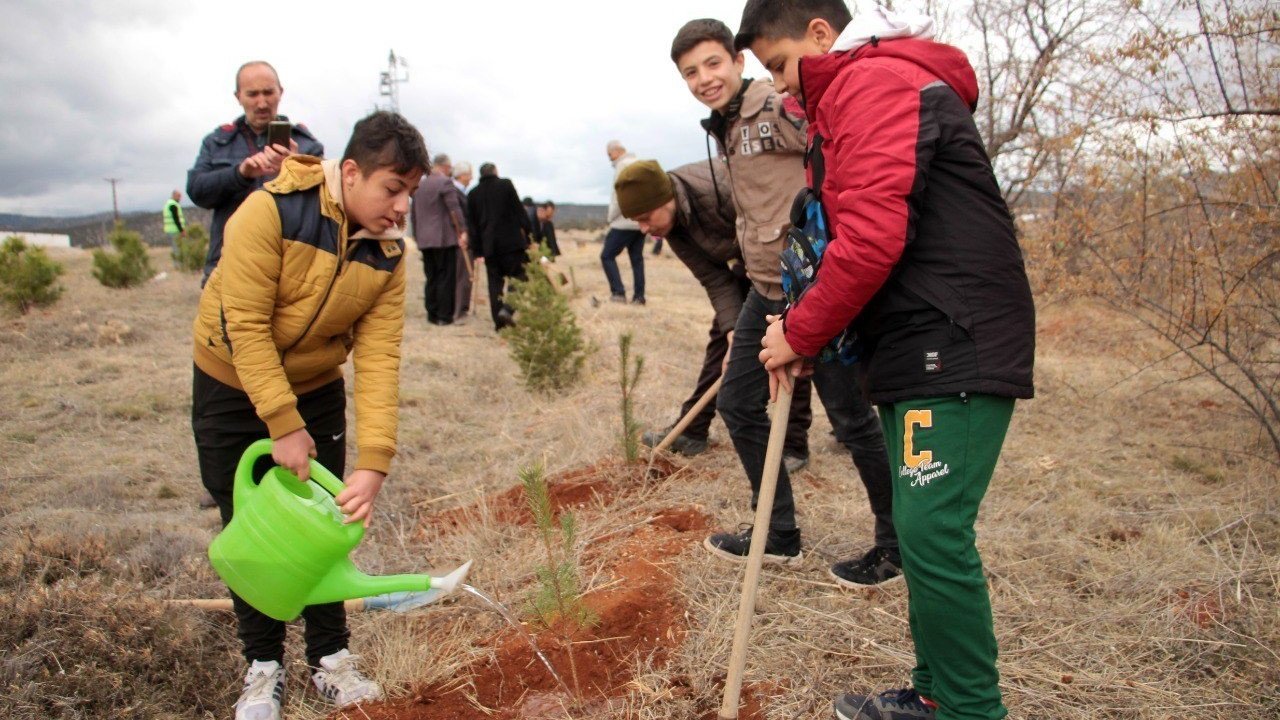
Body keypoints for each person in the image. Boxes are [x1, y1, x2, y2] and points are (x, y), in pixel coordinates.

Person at [745, 2, 1036, 719]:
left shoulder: (873, 84)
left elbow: (871, 241)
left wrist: (802, 333)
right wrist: (812, 327)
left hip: (953, 338)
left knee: (934, 531)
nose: (782, 89)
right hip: (914, 342)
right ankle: (935, 694)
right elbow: (854, 236)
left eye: (780, 65)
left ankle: (970, 710)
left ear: (819, 33)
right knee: (918, 529)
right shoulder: (843, 100)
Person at [190, 110, 428, 720]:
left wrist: (375, 460)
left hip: (316, 388)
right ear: (351, 172)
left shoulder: (388, 255)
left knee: (325, 521)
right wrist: (281, 422)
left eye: (411, 194)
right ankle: (262, 667)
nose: (401, 207)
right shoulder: (270, 211)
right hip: (231, 380)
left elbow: (379, 358)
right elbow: (242, 322)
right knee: (248, 521)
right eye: (392, 189)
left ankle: (330, 658)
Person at [671, 17, 897, 582]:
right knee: (738, 404)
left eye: (713, 63)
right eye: (690, 72)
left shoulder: (777, 103)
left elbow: (832, 149)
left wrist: (827, 240)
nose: (704, 78)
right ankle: (779, 533)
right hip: (765, 287)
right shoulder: (725, 124)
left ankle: (897, 543)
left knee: (850, 419)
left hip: (818, 289)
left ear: (739, 61)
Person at [617, 159, 811, 461]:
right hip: (743, 268)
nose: (643, 229)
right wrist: (734, 330)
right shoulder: (672, 226)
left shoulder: (718, 187)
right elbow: (714, 279)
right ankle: (693, 430)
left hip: (780, 259)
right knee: (724, 337)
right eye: (636, 222)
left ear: (664, 199)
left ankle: (793, 444)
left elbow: (770, 223)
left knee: (788, 343)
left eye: (644, 218)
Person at [187, 61, 324, 286]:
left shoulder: (306, 146)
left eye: (268, 92)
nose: (262, 103)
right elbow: (197, 190)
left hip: (289, 273)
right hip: (227, 268)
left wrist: (296, 169)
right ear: (238, 96)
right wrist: (240, 174)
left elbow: (324, 205)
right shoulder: (217, 143)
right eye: (252, 94)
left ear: (280, 92)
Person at [466, 162, 533, 330]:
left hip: (490, 247)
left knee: (494, 285)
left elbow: (472, 225)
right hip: (511, 243)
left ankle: (499, 324)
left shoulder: (473, 194)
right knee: (520, 276)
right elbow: (519, 210)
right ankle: (508, 309)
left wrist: (477, 250)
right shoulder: (505, 184)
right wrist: (529, 233)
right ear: (495, 172)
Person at [411, 153, 467, 325]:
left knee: (431, 276)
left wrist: (417, 235)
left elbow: (414, 214)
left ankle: (432, 313)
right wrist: (463, 230)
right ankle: (444, 315)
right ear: (445, 167)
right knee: (445, 277)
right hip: (443, 239)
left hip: (424, 239)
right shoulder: (445, 182)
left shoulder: (420, 185)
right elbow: (454, 209)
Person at [601, 140, 646, 304]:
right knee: (637, 259)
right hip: (640, 221)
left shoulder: (622, 166)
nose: (609, 159)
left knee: (607, 256)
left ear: (616, 151)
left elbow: (619, 196)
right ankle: (639, 296)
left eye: (609, 154)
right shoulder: (639, 163)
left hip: (623, 222)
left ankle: (618, 292)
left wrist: (610, 217)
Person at [451, 162, 475, 320]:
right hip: (460, 240)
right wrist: (464, 234)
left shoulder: (461, 192)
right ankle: (459, 311)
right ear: (462, 175)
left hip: (460, 240)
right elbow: (457, 216)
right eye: (469, 174)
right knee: (462, 277)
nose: (471, 178)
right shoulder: (453, 192)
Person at [162, 189, 186, 257]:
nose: (180, 198)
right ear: (174, 195)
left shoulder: (168, 204)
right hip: (174, 230)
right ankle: (178, 265)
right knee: (177, 249)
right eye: (178, 196)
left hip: (171, 230)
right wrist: (181, 230)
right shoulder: (172, 205)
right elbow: (176, 219)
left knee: (176, 248)